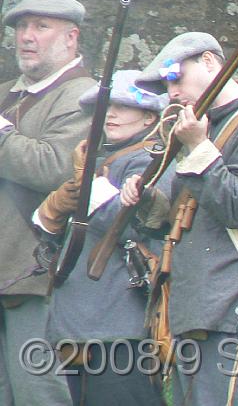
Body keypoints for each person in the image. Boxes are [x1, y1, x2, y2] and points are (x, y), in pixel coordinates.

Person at [120, 32, 238, 405]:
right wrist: (147, 201)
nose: (172, 92)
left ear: (211, 62)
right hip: (196, 309)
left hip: (232, 310)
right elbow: (185, 215)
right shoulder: (198, 124)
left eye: (176, 78)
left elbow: (237, 207)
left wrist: (198, 147)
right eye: (167, 84)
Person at [34, 70, 169, 405]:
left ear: (149, 116)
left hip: (119, 323)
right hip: (80, 325)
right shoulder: (101, 159)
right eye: (106, 106)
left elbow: (128, 222)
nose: (110, 113)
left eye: (122, 106)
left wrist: (88, 182)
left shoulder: (153, 160)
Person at [0, 0, 94, 405]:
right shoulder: (6, 92)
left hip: (37, 267)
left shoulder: (86, 95)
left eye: (41, 26)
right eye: (21, 27)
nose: (27, 36)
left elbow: (54, 167)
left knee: (38, 392)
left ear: (71, 37)